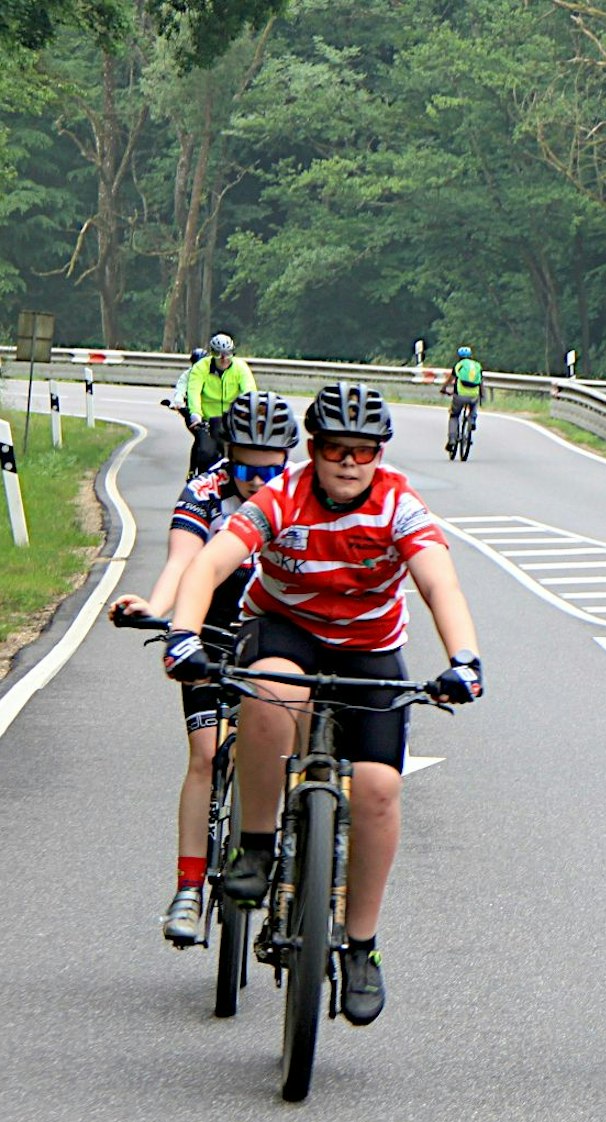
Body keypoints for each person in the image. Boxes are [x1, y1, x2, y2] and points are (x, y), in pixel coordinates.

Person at [159, 382, 483, 1026]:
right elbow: (211, 563)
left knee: (379, 791)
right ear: (313, 449)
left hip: (369, 646)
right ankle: (254, 845)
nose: (349, 462)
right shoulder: (283, 496)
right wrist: (183, 635)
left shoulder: (399, 504)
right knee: (273, 689)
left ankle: (361, 946)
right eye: (336, 449)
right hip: (285, 628)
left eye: (364, 451)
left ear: (379, 455)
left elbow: (437, 579)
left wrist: (464, 660)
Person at [109, 391, 299, 947]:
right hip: (212, 631)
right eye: (246, 467)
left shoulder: (302, 493)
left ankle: (292, 881)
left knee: (295, 755)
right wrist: (158, 609)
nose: (259, 481)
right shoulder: (205, 490)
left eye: (272, 468)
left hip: (277, 637)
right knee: (205, 754)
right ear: (228, 454)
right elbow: (181, 560)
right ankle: (188, 889)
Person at [173, 334, 258, 477]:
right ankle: (197, 477)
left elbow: (249, 393)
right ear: (212, 354)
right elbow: (194, 392)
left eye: (227, 354)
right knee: (205, 451)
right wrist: (196, 414)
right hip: (206, 420)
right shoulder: (201, 368)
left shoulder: (240, 367)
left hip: (231, 419)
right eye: (218, 355)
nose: (224, 359)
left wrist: (250, 413)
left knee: (239, 454)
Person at [440, 345, 488, 451]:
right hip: (473, 394)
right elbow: (480, 382)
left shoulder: (459, 365)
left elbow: (450, 380)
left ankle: (452, 439)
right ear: (471, 356)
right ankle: (472, 421)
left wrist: (443, 389)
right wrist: (482, 395)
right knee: (474, 406)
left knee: (454, 415)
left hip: (460, 395)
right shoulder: (477, 365)